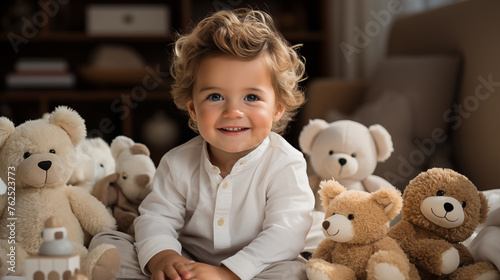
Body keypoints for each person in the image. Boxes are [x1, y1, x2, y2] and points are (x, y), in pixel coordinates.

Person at [90, 8, 314, 280]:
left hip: (256, 267)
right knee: (108, 242)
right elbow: (157, 218)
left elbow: (286, 232)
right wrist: (165, 257)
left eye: (252, 97)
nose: (233, 111)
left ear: (277, 108)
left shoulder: (285, 163)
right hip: (188, 263)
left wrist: (227, 273)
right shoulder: (177, 162)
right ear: (194, 109)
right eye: (216, 96)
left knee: (297, 270)